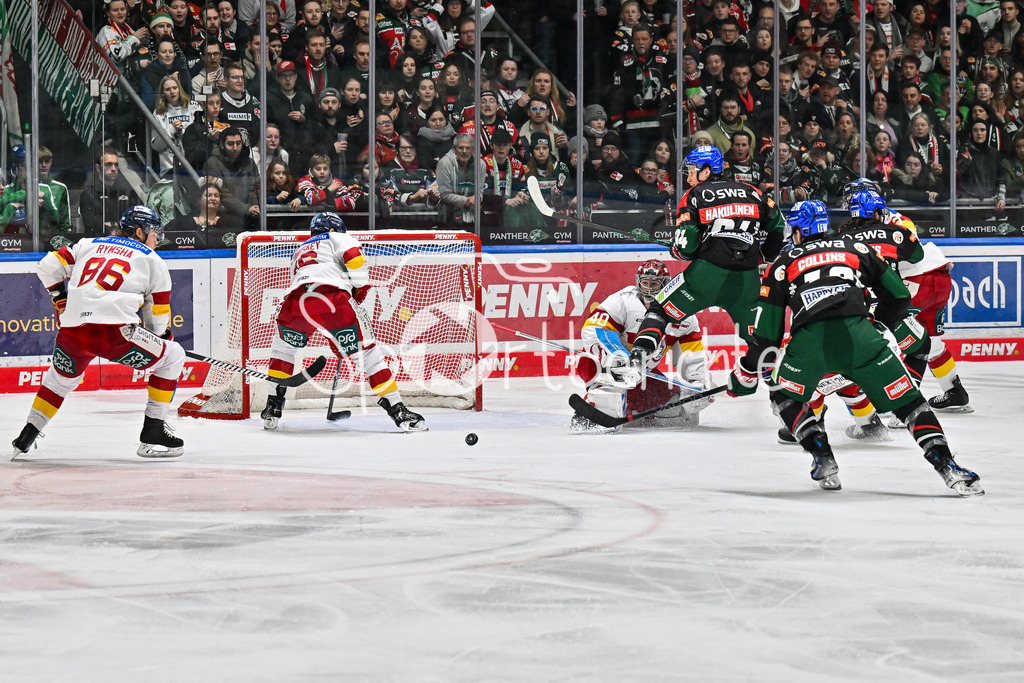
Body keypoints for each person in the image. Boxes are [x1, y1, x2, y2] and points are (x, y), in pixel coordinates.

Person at [727, 200, 983, 496]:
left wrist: (745, 375)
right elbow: (899, 296)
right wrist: (881, 322)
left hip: (810, 343)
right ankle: (949, 467)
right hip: (862, 338)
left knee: (783, 395)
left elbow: (766, 338)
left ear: (797, 232)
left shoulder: (783, 264)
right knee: (910, 403)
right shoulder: (856, 249)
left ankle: (822, 456)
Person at [11, 207, 186, 460]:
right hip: (114, 335)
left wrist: (61, 300)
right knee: (174, 356)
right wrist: (161, 338)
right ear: (139, 232)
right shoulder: (153, 260)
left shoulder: (88, 244)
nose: (157, 239)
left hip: (72, 332)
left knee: (59, 381)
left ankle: (27, 434)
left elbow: (47, 267)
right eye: (154, 233)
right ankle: (153, 431)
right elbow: (157, 318)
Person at [626, 145, 784, 381]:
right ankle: (780, 384)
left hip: (705, 277)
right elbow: (779, 227)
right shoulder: (753, 192)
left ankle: (637, 360)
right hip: (746, 281)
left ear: (707, 171)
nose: (689, 177)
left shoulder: (695, 194)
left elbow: (687, 244)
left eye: (692, 171)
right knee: (758, 337)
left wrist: (679, 249)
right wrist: (764, 255)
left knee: (659, 310)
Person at [260, 212, 427, 432]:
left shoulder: (300, 249)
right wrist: (357, 287)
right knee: (368, 355)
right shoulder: (336, 237)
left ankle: (272, 407)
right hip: (333, 300)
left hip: (296, 303)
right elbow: (354, 258)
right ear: (332, 229)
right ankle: (399, 411)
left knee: (283, 350)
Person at [571, 259, 710, 432]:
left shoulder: (684, 317)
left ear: (665, 286)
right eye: (645, 283)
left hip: (642, 373)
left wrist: (697, 382)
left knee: (680, 414)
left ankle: (635, 410)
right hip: (606, 366)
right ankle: (597, 407)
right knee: (605, 374)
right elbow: (595, 331)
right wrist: (620, 358)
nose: (649, 289)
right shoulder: (621, 301)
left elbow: (691, 356)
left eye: (654, 284)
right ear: (638, 282)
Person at [78, 148, 143, 238]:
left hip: (124, 242)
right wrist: (119, 225)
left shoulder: (127, 191)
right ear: (98, 168)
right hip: (99, 242)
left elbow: (137, 220)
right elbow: (93, 226)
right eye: (108, 164)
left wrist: (113, 224)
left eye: (116, 165)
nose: (113, 169)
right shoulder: (89, 193)